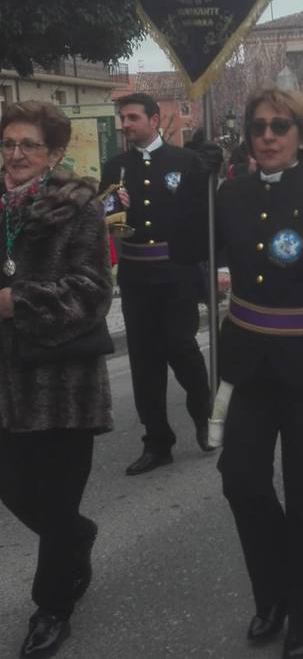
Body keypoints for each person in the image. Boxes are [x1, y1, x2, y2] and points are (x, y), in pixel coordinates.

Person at [170, 87, 303, 659]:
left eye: (280, 126)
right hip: (247, 364)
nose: (267, 136)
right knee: (241, 480)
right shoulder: (230, 194)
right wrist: (196, 178)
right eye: (258, 127)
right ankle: (276, 591)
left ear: (301, 135)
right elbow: (184, 248)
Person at [0, 101, 113, 658]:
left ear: (54, 153)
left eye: (29, 144)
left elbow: (93, 291)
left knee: (59, 496)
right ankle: (75, 535)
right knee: (14, 487)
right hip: (4, 383)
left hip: (62, 385)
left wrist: (17, 302)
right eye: (8, 144)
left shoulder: (78, 208)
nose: (15, 154)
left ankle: (52, 607)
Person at [99, 92, 216, 476]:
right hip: (136, 277)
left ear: (153, 119)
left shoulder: (184, 162)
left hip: (175, 273)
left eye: (132, 117)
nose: (125, 125)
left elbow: (203, 213)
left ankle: (204, 417)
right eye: (123, 118)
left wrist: (210, 170)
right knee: (144, 361)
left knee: (183, 350)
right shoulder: (115, 167)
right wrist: (114, 206)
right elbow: (106, 220)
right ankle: (157, 442)